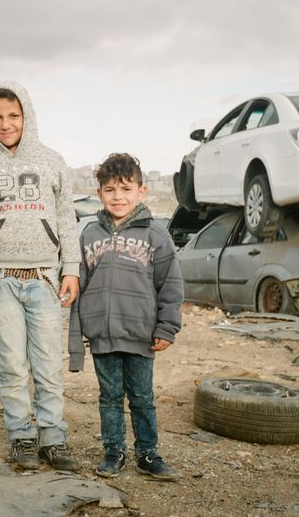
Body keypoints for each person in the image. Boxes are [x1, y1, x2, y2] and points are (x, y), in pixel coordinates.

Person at [0, 81, 81, 471]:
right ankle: (21, 436)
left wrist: (71, 268)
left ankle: (53, 437)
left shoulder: (52, 162)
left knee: (48, 364)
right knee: (12, 364)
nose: (6, 124)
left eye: (13, 115)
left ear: (27, 115)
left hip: (45, 278)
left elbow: (67, 220)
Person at [68, 153, 183, 480]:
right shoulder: (89, 235)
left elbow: (170, 284)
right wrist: (77, 337)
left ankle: (147, 453)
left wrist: (167, 327)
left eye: (126, 189)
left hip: (140, 334)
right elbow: (78, 286)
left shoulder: (156, 235)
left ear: (141, 192)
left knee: (142, 397)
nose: (118, 197)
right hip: (102, 335)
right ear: (99, 193)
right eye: (109, 190)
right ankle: (113, 451)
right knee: (109, 397)